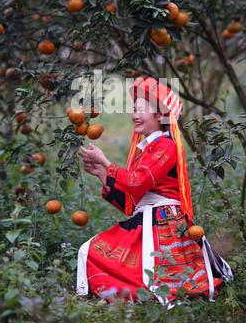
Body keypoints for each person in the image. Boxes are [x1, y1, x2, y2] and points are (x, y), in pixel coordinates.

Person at [77, 76, 233, 307]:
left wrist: (106, 163)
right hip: (147, 220)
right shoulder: (147, 149)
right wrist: (101, 173)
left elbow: (137, 182)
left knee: (150, 279)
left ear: (160, 115)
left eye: (141, 109)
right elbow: (132, 203)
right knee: (90, 251)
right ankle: (126, 298)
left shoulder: (166, 146)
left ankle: (136, 299)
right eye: (133, 109)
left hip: (164, 225)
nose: (134, 115)